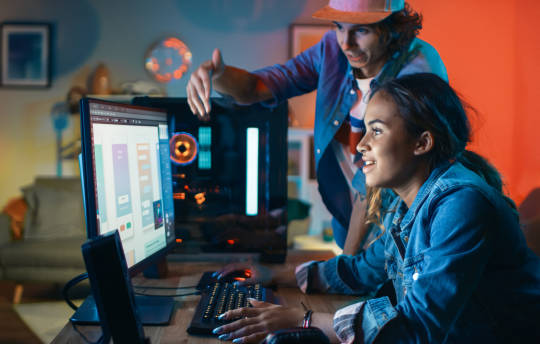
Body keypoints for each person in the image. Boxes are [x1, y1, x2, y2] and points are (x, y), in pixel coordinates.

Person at [209, 73, 540, 343]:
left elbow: (418, 328)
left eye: (376, 131)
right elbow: (362, 270)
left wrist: (304, 318)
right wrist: (273, 275)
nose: (361, 145)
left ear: (422, 143)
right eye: (364, 129)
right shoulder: (406, 204)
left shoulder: (460, 204)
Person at [186, 0, 448, 255]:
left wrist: (347, 265)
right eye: (339, 27)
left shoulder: (418, 69)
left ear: (392, 27)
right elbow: (259, 87)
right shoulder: (331, 51)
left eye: (361, 30)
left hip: (402, 236)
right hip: (350, 227)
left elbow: (372, 184)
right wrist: (215, 76)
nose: (346, 43)